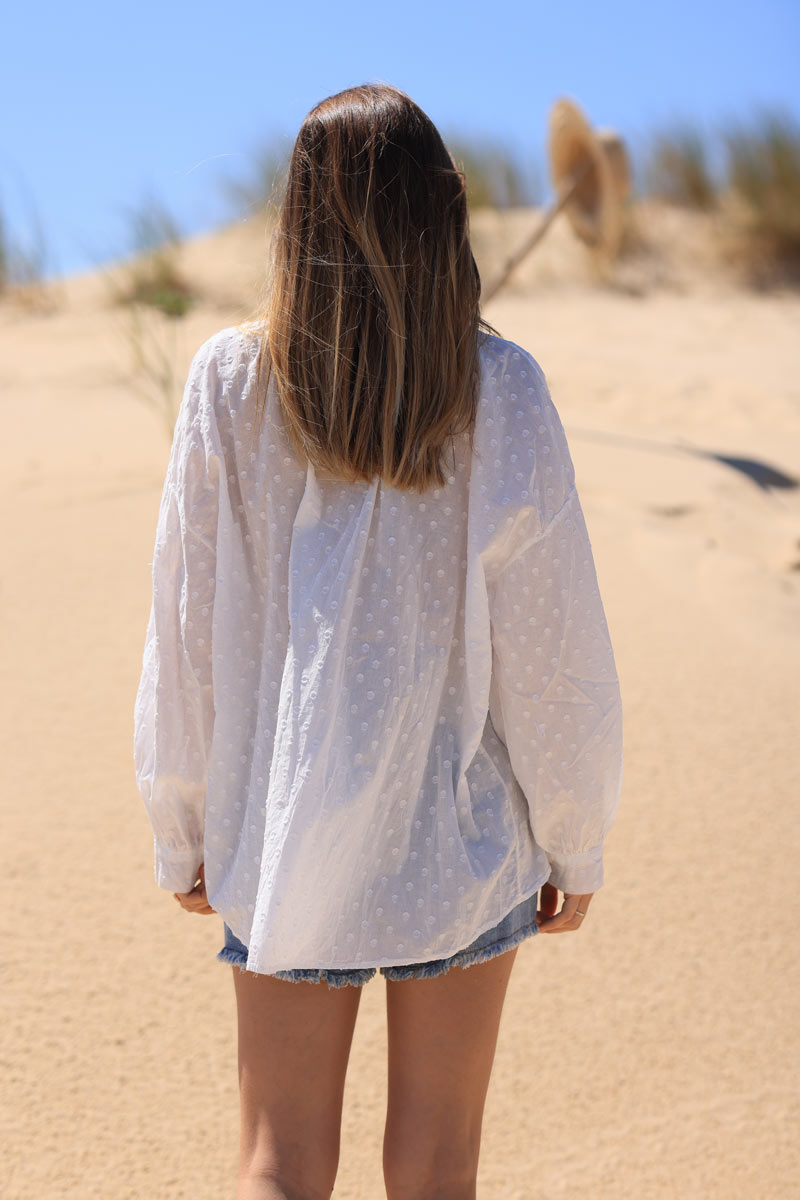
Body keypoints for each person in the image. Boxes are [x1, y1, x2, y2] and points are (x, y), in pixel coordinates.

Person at [133, 82, 623, 1200]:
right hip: (458, 836)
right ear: (443, 218)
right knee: (437, 1163)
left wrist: (185, 820)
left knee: (277, 1161)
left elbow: (187, 625)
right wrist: (573, 833)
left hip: (285, 827)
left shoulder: (227, 380)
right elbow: (551, 646)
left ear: (294, 221)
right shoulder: (499, 387)